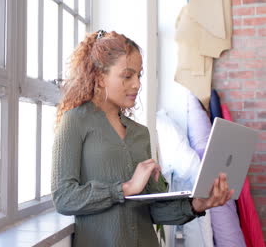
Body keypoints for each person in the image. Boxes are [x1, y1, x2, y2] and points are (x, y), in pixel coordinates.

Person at [51, 30, 233, 247]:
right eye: (127, 76)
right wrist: (125, 188)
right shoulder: (75, 121)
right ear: (99, 78)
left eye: (139, 75)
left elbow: (154, 211)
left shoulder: (141, 134)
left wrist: (197, 204)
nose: (137, 84)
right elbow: (64, 198)